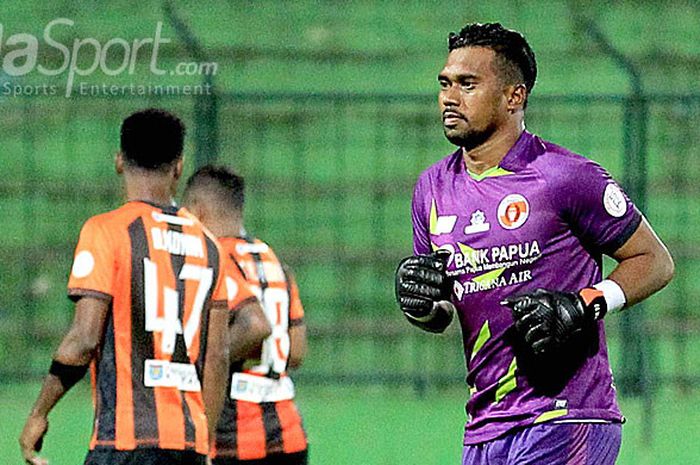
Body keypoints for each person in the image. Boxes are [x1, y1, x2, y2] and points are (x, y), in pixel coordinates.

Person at [394, 23, 674, 464]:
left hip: (567, 417)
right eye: (445, 84)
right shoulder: (432, 187)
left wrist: (585, 304)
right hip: (485, 427)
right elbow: (444, 311)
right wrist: (421, 304)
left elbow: (654, 261)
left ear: (514, 97)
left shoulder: (564, 176)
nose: (450, 97)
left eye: (468, 84)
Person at [18, 109, 266, 465]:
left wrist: (40, 412)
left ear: (119, 161)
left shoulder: (106, 231)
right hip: (188, 444)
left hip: (124, 443)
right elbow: (217, 357)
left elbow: (84, 339)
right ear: (178, 167)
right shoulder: (209, 245)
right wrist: (205, 441)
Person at [183, 165, 309, 465]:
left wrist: (206, 361)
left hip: (232, 438)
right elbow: (297, 352)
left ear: (197, 212)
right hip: (288, 434)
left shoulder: (211, 259)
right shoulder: (272, 259)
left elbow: (255, 327)